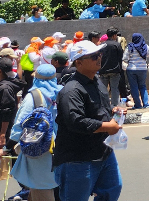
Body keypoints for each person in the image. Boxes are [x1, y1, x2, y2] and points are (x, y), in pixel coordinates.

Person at [53, 40, 125, 201]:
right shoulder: (71, 90)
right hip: (78, 157)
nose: (99, 58)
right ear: (78, 62)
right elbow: (75, 121)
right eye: (93, 56)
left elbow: (99, 107)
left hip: (102, 152)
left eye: (99, 54)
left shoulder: (97, 82)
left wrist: (113, 110)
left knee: (112, 189)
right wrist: (106, 126)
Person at [9, 64, 61, 201]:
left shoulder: (33, 97)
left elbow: (18, 127)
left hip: (39, 149)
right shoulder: (61, 93)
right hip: (59, 148)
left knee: (41, 189)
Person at [122, 33, 149, 110]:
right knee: (143, 86)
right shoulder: (145, 46)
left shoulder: (130, 47)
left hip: (131, 69)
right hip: (142, 69)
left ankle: (138, 105)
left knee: (134, 87)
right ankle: (146, 104)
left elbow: (125, 58)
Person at [97, 27, 123, 107]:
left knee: (103, 89)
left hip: (103, 70)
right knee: (114, 88)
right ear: (114, 35)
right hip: (115, 71)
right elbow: (120, 57)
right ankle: (114, 106)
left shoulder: (102, 45)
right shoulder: (117, 45)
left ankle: (104, 105)